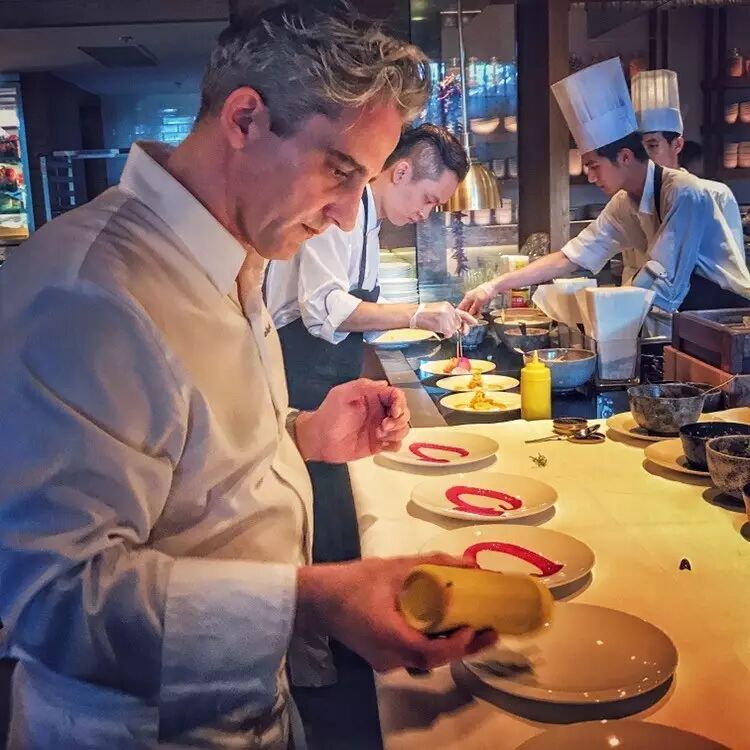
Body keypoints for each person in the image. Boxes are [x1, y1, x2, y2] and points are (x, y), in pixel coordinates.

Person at [0, 4, 496, 748]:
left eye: (362, 182)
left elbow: (184, 464)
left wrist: (301, 435)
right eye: (339, 171)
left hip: (257, 710)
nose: (344, 217)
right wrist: (313, 601)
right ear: (244, 119)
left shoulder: (237, 254)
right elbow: (50, 601)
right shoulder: (86, 290)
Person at [460, 58, 750, 319]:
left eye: (593, 166)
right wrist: (492, 286)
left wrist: (605, 318)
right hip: (692, 318)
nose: (590, 176)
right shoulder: (624, 203)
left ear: (624, 157)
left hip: (729, 318)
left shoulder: (684, 193)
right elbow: (569, 257)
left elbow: (664, 280)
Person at [265, 122, 474, 414]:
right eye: (428, 200)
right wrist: (416, 314)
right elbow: (323, 307)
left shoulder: (370, 219)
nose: (426, 214)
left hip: (327, 385)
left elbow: (359, 302)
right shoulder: (340, 211)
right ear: (401, 173)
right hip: (293, 381)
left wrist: (429, 316)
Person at [629, 69, 744, 285]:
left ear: (677, 145)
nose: (645, 158)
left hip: (707, 304)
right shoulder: (632, 202)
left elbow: (732, 275)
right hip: (647, 303)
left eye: (653, 146)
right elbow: (631, 270)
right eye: (639, 149)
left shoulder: (716, 195)